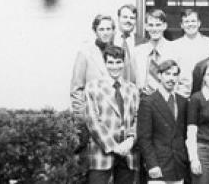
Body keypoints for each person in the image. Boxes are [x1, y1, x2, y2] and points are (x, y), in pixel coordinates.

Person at [84, 46, 140, 184]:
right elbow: (93, 121)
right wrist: (114, 146)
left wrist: (131, 140)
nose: (115, 67)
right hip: (102, 153)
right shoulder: (93, 87)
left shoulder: (132, 89)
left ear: (124, 63)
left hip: (127, 153)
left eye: (118, 62)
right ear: (105, 63)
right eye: (110, 62)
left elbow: (138, 118)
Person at [137, 59, 190, 183]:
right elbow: (144, 138)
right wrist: (152, 164)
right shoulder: (148, 102)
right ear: (159, 76)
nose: (171, 78)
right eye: (167, 74)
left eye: (174, 74)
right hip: (159, 167)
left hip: (178, 165)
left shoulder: (183, 102)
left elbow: (183, 135)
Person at [71, 14, 115, 118]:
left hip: (114, 116)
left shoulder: (118, 53)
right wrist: (83, 117)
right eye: (101, 29)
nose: (105, 33)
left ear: (113, 31)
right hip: (93, 115)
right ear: (95, 31)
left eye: (108, 29)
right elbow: (76, 89)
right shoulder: (85, 53)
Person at [164, 9, 209, 97]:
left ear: (199, 23)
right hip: (181, 94)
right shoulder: (173, 46)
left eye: (193, 21)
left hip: (206, 93)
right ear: (181, 25)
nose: (190, 24)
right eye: (186, 22)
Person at [134, 9, 173, 96]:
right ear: (146, 27)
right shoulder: (137, 52)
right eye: (151, 25)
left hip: (167, 102)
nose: (154, 29)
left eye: (158, 25)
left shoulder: (175, 50)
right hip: (143, 101)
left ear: (165, 26)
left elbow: (183, 83)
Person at [113, 4, 145, 84]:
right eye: (125, 17)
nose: (128, 21)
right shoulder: (109, 41)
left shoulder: (143, 43)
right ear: (118, 18)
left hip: (136, 92)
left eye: (132, 18)